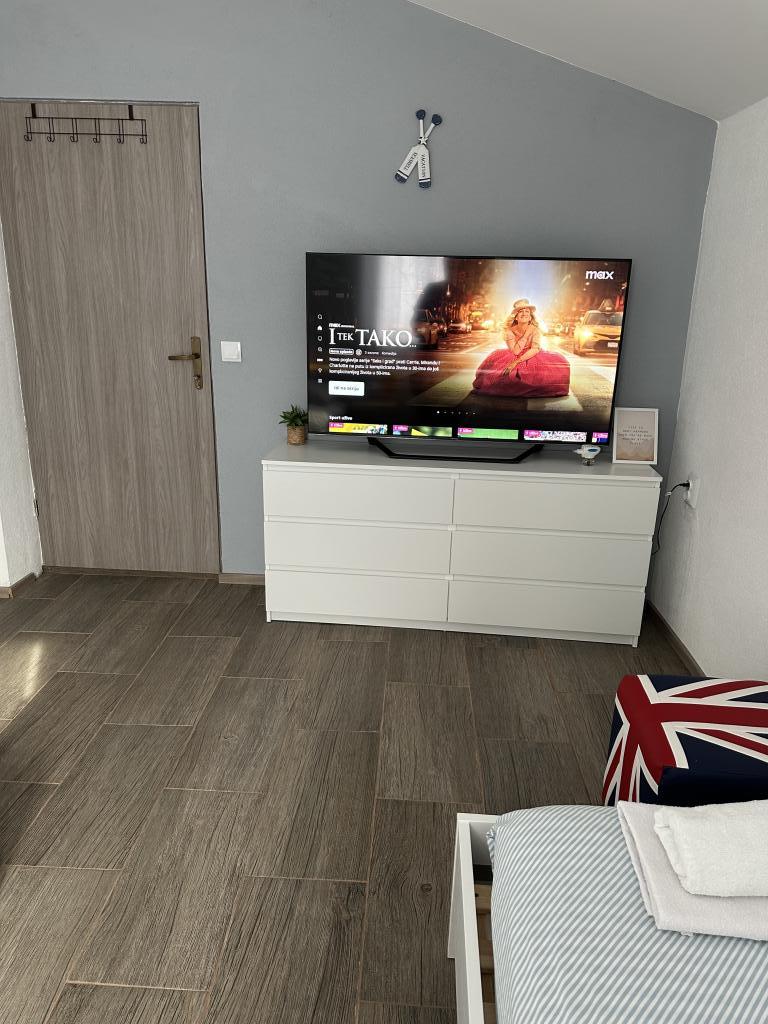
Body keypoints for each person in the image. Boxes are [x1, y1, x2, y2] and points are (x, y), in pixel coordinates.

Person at [472, 299, 570, 397]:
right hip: (514, 354)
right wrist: (527, 334)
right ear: (516, 317)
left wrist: (517, 361)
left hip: (531, 353)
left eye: (527, 311)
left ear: (530, 317)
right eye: (520, 311)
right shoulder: (509, 331)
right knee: (503, 377)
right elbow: (516, 351)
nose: (524, 314)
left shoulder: (535, 330)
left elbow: (535, 349)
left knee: (556, 366)